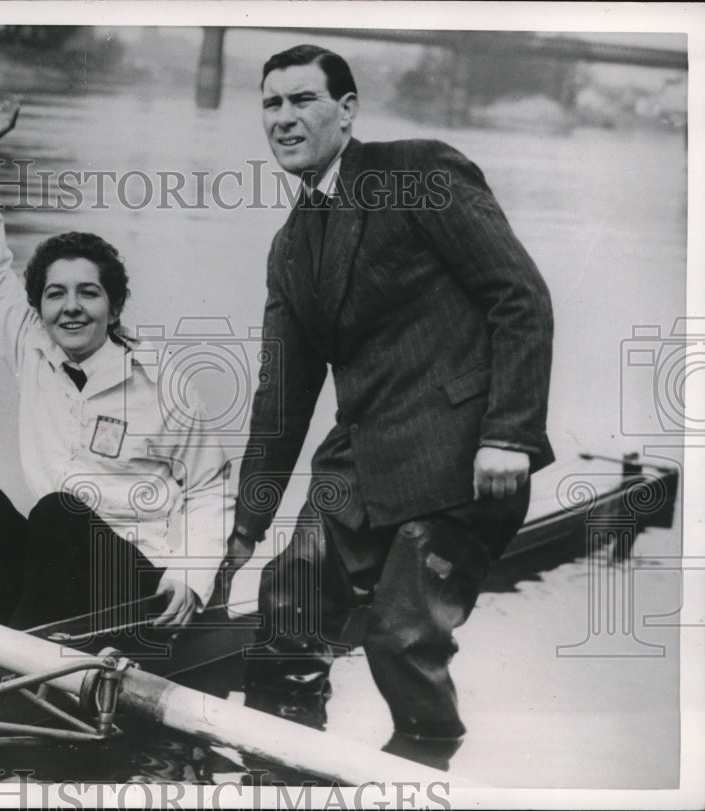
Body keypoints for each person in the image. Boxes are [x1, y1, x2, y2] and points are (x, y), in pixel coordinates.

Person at [225, 45, 555, 769]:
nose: (284, 118)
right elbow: (281, 401)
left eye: (303, 100)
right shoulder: (289, 249)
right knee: (288, 597)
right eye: (271, 103)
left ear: (346, 111)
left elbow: (521, 298)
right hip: (363, 460)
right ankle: (280, 767)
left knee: (401, 637)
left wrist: (509, 435)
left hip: (463, 453)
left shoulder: (420, 172)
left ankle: (430, 763)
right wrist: (245, 527)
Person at [0, 100, 230, 631]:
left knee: (58, 512)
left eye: (88, 293)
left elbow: (210, 488)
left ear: (114, 307)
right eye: (56, 295)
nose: (70, 307)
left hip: (136, 582)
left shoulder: (164, 382)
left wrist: (191, 573)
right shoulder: (31, 345)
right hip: (60, 561)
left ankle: (11, 659)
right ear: (40, 309)